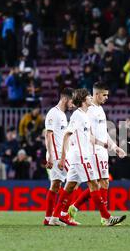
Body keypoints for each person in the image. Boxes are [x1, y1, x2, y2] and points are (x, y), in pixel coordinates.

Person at [50, 88, 126, 227]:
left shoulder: (84, 115)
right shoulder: (77, 115)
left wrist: (106, 145)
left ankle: (55, 216)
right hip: (80, 157)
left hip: (79, 156)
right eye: (89, 97)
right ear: (84, 100)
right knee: (94, 184)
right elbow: (67, 134)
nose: (91, 98)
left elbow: (87, 137)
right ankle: (107, 217)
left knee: (70, 187)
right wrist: (62, 158)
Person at [43, 87, 74, 225]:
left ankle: (49, 218)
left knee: (55, 185)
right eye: (72, 101)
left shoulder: (62, 115)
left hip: (60, 154)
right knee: (75, 179)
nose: (73, 105)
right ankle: (61, 214)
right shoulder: (53, 113)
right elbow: (48, 135)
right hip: (56, 154)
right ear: (66, 99)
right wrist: (50, 155)